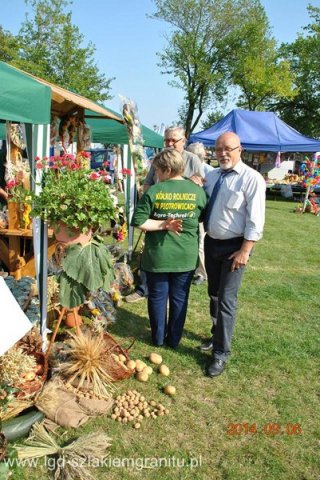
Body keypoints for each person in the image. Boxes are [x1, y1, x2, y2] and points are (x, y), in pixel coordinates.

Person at [201, 132, 266, 377]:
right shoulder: (212, 176)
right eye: (218, 149)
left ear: (240, 149)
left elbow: (255, 220)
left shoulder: (252, 179)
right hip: (211, 243)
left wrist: (245, 251)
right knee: (214, 295)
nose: (223, 153)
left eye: (228, 148)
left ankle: (220, 354)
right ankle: (214, 335)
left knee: (227, 301)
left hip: (234, 249)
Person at [132, 148, 207, 347]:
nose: (156, 174)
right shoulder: (198, 192)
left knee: (157, 297)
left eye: (157, 170)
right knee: (179, 297)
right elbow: (202, 217)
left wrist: (161, 224)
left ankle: (157, 339)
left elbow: (138, 220)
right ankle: (174, 340)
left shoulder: (155, 191)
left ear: (166, 169)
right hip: (185, 255)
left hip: (158, 255)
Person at [124, 126, 204, 303]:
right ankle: (144, 288)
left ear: (183, 141)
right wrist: (157, 198)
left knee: (177, 280)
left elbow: (200, 187)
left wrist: (182, 187)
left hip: (183, 223)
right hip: (156, 220)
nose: (169, 143)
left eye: (173, 140)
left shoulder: (193, 160)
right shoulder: (159, 159)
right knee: (152, 257)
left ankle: (195, 276)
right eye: (166, 140)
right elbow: (146, 186)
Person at [186, 142, 214, 286]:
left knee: (200, 243)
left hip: (201, 212)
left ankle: (202, 273)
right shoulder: (186, 169)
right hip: (189, 211)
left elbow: (208, 193)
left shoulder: (209, 171)